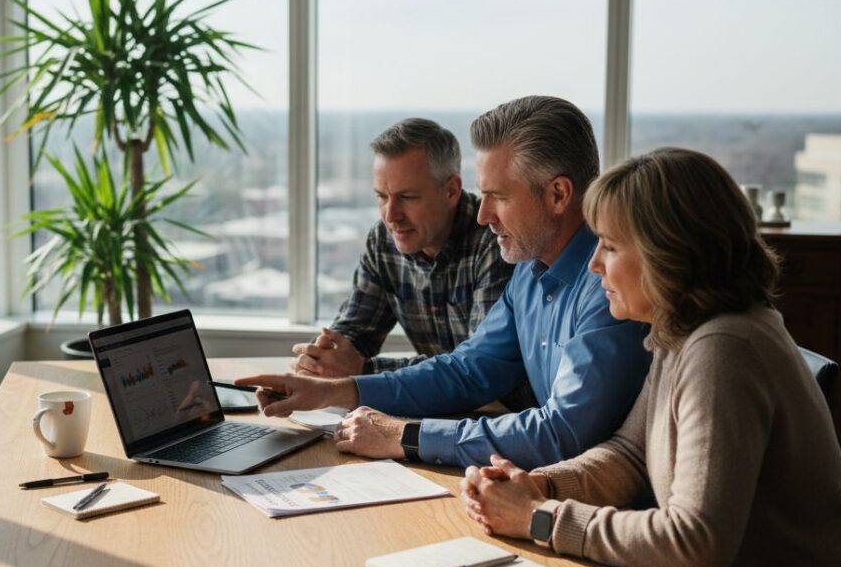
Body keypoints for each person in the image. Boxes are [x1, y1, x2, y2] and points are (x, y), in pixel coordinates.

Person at [459, 147, 841, 567]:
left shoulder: (724, 349)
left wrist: (540, 517)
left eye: (611, 246)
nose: (595, 265)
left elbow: (695, 542)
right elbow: (631, 454)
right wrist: (541, 484)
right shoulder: (680, 332)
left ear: (670, 253)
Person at [237, 95, 651, 470]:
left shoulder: (610, 284)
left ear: (558, 195)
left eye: (499, 197)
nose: (483, 215)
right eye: (482, 195)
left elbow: (562, 434)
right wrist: (332, 392)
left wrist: (404, 436)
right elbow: (468, 369)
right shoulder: (529, 267)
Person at [291, 118, 513, 380]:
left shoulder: (494, 239)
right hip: (435, 406)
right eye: (382, 197)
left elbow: (478, 367)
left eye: (406, 197)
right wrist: (326, 355)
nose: (391, 215)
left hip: (501, 410)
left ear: (451, 190)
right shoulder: (383, 241)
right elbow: (357, 331)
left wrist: (365, 369)